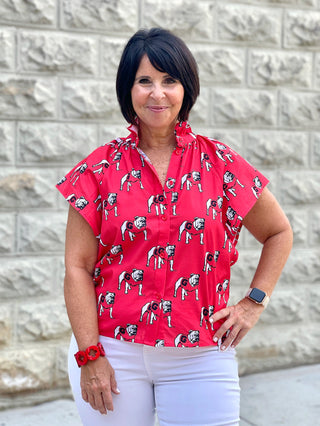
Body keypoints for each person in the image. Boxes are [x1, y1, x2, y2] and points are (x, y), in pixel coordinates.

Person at [56, 27, 293, 426]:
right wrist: (90, 354)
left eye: (169, 80)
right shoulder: (98, 169)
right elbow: (77, 267)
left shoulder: (220, 164)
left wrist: (253, 303)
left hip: (200, 352)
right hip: (113, 352)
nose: (157, 93)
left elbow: (279, 232)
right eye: (144, 81)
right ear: (127, 89)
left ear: (186, 88)